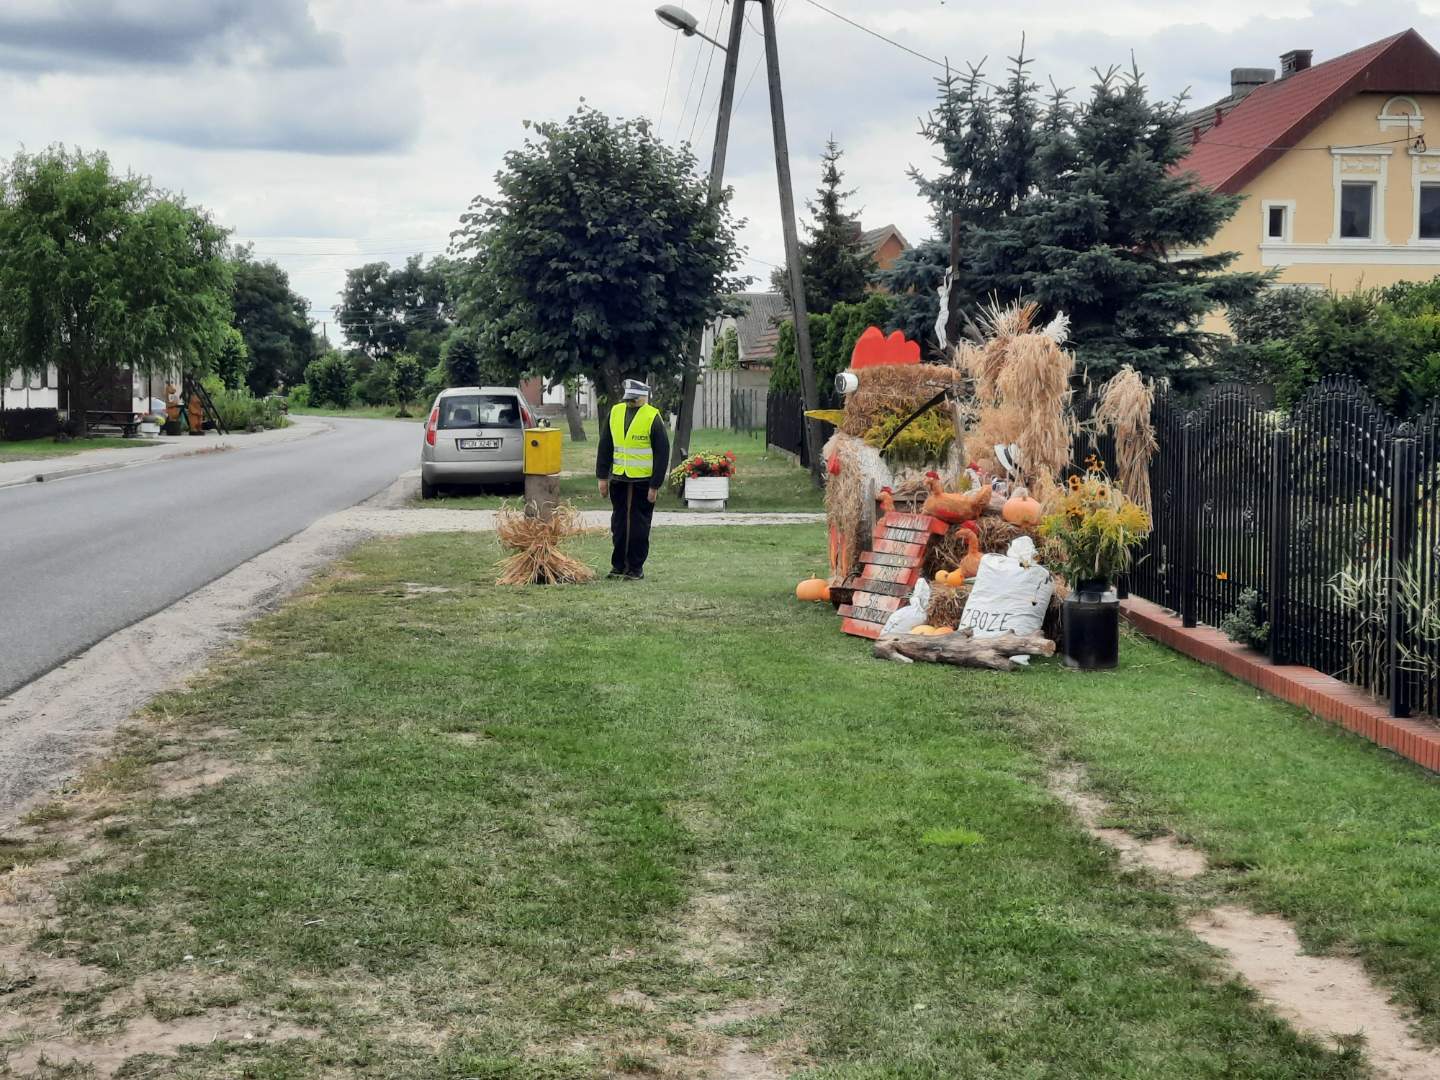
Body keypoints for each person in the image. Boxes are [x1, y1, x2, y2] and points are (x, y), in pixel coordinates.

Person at [596, 379, 669, 580]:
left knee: (639, 527)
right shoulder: (615, 412)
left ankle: (635, 568)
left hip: (642, 482)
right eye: (628, 399)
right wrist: (602, 476)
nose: (630, 402)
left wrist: (655, 485)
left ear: (644, 397)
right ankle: (618, 566)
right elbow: (605, 446)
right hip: (619, 479)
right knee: (618, 525)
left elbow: (662, 454)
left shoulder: (653, 417)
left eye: (634, 399)